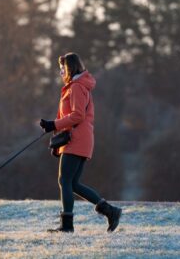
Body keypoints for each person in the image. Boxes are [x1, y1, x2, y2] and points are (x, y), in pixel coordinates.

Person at [40, 52, 122, 233]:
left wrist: (54, 124)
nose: (61, 73)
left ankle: (67, 225)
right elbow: (69, 116)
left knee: (64, 180)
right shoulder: (76, 86)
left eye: (62, 69)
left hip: (77, 139)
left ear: (68, 68)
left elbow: (78, 115)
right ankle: (110, 211)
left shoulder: (77, 87)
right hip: (79, 139)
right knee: (73, 183)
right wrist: (53, 129)